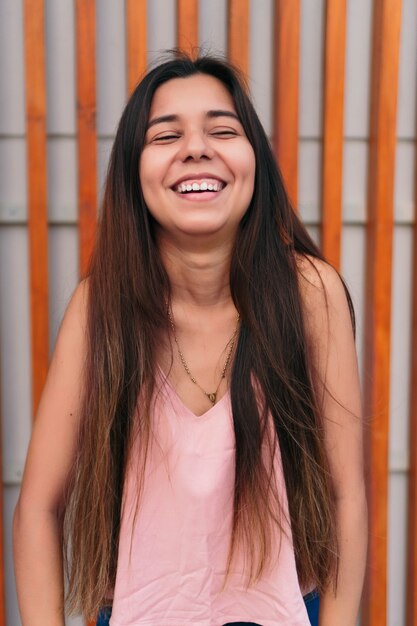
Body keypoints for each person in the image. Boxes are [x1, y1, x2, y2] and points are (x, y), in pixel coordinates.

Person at [13, 52, 367, 626]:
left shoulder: (311, 294)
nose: (197, 147)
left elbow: (346, 498)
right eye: (165, 134)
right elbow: (37, 509)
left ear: (255, 161)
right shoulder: (99, 308)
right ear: (134, 172)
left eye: (222, 129)